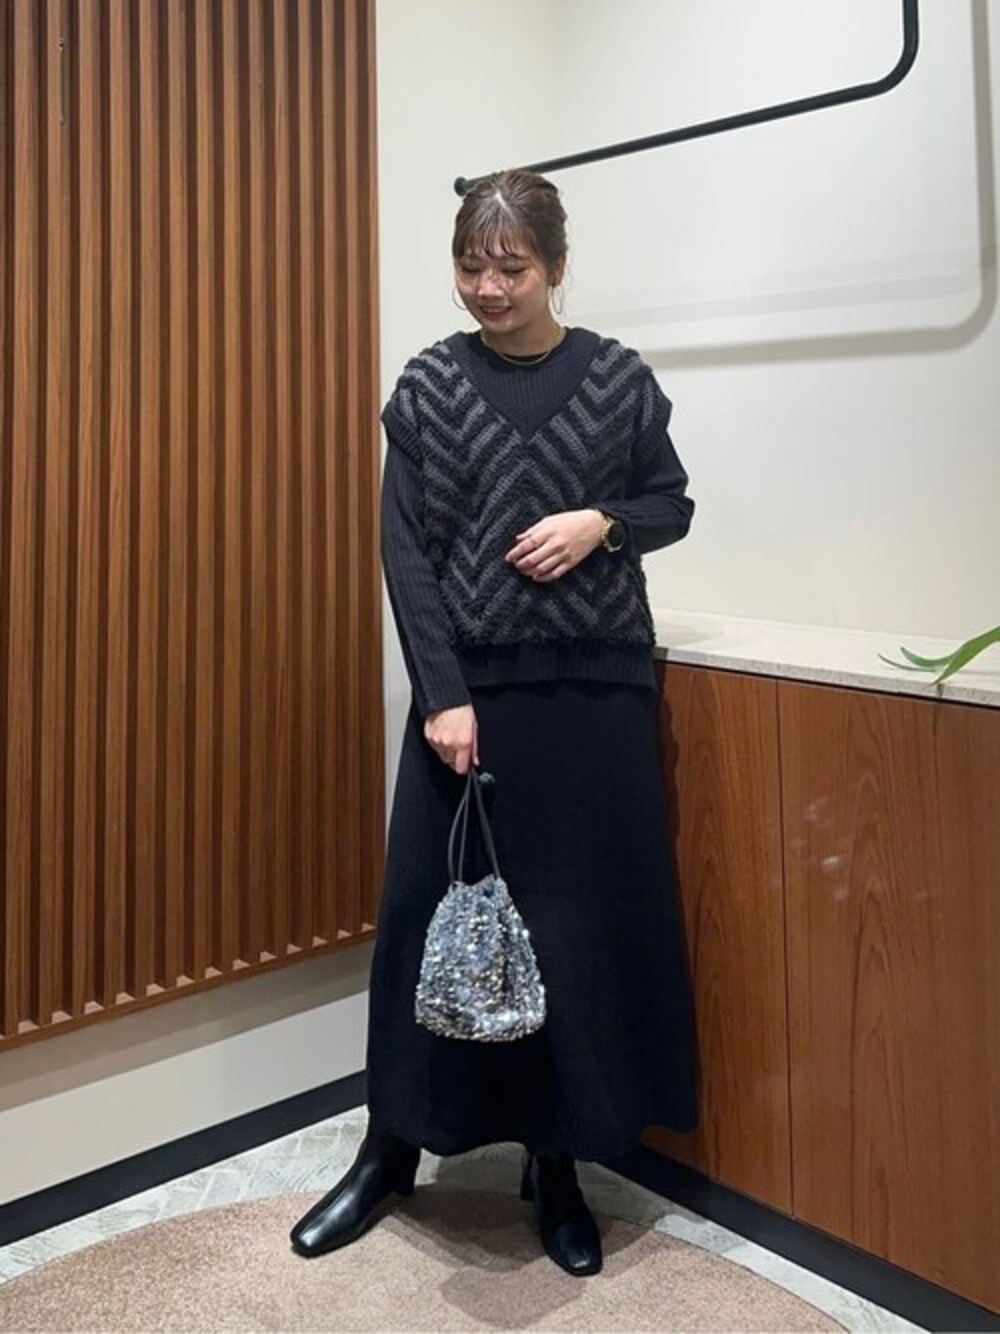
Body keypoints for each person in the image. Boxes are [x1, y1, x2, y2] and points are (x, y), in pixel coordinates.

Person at [290, 169, 698, 1278]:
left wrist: (601, 523)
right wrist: (443, 694)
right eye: (470, 266)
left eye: (511, 267)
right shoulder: (429, 386)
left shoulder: (617, 380)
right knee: (425, 921)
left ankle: (555, 1164)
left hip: (593, 702)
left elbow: (670, 501)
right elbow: (404, 552)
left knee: (571, 934)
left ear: (556, 267)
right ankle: (390, 1150)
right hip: (471, 701)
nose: (487, 287)